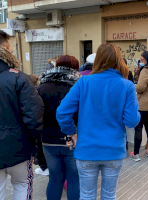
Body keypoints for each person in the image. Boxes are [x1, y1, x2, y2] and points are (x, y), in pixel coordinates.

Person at [56, 43, 140, 200]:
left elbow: (62, 112)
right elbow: (131, 121)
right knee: (109, 195)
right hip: (113, 151)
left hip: (86, 150)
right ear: (119, 60)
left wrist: (71, 132)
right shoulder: (127, 86)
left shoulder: (83, 82)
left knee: (87, 195)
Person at [0, 30, 44, 200]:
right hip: (19, 148)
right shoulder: (19, 78)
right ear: (6, 49)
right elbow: (34, 117)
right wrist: (34, 144)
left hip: (18, 147)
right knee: (22, 184)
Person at [38, 55, 81, 200]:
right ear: (75, 68)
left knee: (55, 178)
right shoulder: (77, 85)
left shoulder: (42, 86)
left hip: (48, 140)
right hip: (72, 138)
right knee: (74, 178)